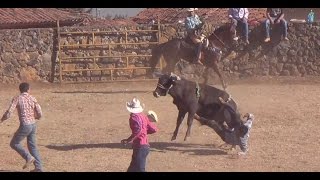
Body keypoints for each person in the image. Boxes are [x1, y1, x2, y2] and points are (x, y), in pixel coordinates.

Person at [0, 82, 43, 172]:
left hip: (25, 125)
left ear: (20, 90)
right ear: (28, 89)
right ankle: (39, 168)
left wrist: (2, 120)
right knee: (33, 146)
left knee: (14, 143)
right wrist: (36, 117)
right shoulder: (32, 98)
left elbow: (9, 112)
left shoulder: (17, 98)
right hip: (33, 124)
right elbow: (39, 112)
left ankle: (28, 157)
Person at [121, 97, 158, 172]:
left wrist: (128, 140)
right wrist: (144, 132)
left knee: (139, 169)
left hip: (140, 147)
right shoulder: (143, 116)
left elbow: (138, 131)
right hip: (144, 146)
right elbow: (154, 129)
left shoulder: (134, 117)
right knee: (133, 169)